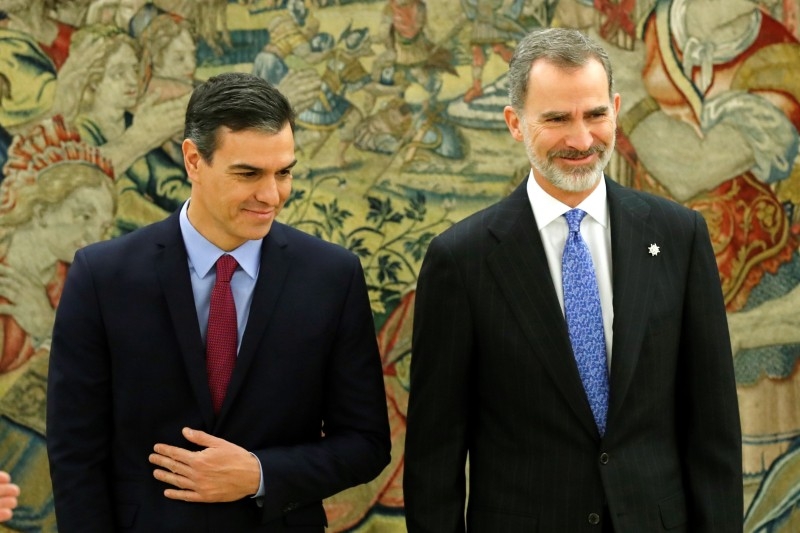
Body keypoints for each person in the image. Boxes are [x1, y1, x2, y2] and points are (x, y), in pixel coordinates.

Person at [404, 27, 742, 532]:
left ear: (616, 108)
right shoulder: (461, 260)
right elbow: (434, 459)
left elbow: (713, 430)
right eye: (557, 119)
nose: (581, 140)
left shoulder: (678, 236)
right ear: (515, 123)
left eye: (595, 115)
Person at [46, 71, 391, 532]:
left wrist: (260, 475)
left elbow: (366, 444)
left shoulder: (332, 277)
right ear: (193, 160)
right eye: (248, 173)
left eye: (283, 172)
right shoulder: (101, 277)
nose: (271, 195)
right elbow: (75, 454)